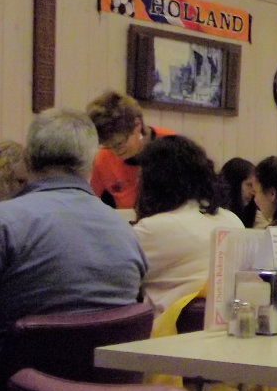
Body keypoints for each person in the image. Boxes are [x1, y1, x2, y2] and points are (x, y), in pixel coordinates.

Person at [0, 108, 146, 332]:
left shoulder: (6, 222)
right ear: (90, 162)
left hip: (19, 364)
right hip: (108, 366)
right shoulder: (127, 233)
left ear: (28, 158)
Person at [132, 135, 244, 318]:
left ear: (153, 181)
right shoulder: (232, 220)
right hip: (227, 334)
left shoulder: (150, 230)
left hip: (162, 339)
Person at [86, 90, 174, 208]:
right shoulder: (103, 158)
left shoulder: (172, 146)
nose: (115, 152)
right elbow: (89, 203)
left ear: (137, 125)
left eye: (119, 144)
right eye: (108, 146)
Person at [219, 157, 258, 228]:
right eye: (249, 185)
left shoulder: (258, 217)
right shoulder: (218, 216)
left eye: (255, 186)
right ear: (234, 185)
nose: (254, 191)